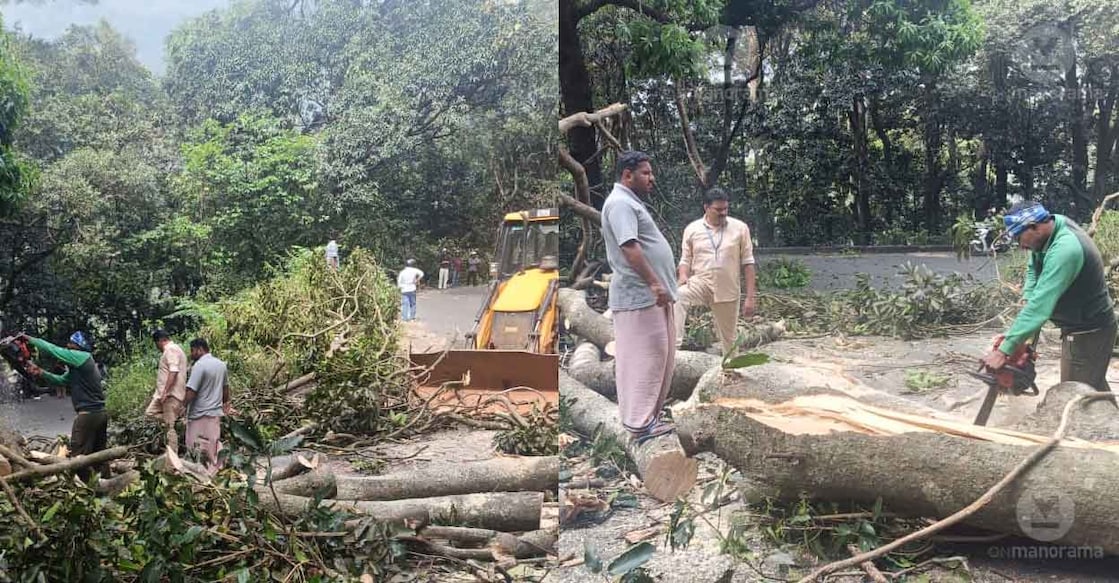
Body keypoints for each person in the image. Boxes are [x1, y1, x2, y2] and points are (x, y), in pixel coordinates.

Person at [981, 201, 1116, 392]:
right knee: (1092, 385)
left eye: (1020, 237)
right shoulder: (1051, 229)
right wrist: (1028, 295)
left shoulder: (1065, 249)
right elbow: (1033, 268)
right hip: (1081, 326)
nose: (1021, 245)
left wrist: (1005, 350)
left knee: (1074, 393)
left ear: (1034, 227)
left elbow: (1040, 307)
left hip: (1088, 331)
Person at [600, 150, 679, 444]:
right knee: (644, 359)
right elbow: (630, 248)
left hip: (653, 297)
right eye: (646, 173)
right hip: (640, 295)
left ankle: (650, 418)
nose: (651, 178)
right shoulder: (620, 203)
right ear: (627, 175)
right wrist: (655, 283)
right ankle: (639, 423)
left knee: (661, 356)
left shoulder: (630, 202)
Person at [674, 188, 757, 354]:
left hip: (728, 289)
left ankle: (731, 371)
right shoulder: (692, 229)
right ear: (706, 207)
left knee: (729, 339)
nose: (723, 213)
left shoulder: (740, 228)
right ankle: (674, 348)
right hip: (701, 283)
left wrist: (750, 297)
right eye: (718, 210)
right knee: (677, 296)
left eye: (726, 209)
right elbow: (685, 259)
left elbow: (748, 263)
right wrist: (683, 275)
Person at [23, 331, 108, 481]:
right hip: (99, 413)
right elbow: (62, 381)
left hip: (88, 415)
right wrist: (41, 372)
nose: (68, 346)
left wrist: (30, 339)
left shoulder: (81, 356)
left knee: (78, 456)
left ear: (78, 346)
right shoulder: (80, 366)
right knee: (98, 454)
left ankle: (86, 488)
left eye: (71, 344)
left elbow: (53, 350)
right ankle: (107, 483)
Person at [183, 338, 231, 474]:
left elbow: (192, 390)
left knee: (194, 447)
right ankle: (215, 472)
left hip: (199, 414)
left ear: (199, 349)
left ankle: (200, 474)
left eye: (192, 351)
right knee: (213, 445)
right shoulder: (221, 365)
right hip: (215, 414)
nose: (191, 354)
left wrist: (182, 406)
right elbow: (226, 388)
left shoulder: (199, 366)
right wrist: (226, 404)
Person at [144, 329, 188, 454]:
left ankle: (172, 457)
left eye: (156, 344)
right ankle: (177, 420)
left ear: (160, 341)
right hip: (164, 395)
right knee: (150, 413)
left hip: (170, 395)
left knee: (169, 428)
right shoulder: (175, 349)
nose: (157, 347)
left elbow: (173, 371)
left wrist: (166, 392)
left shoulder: (171, 349)